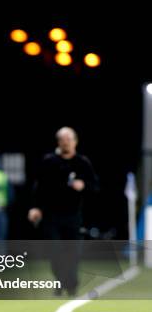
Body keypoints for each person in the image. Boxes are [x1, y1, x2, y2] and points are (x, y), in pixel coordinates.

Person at [27, 126, 99, 296]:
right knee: (55, 252)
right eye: (62, 140)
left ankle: (71, 285)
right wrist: (35, 207)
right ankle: (60, 280)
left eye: (69, 139)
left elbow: (95, 187)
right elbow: (39, 187)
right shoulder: (49, 162)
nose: (66, 143)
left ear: (75, 141)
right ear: (58, 142)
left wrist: (83, 185)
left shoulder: (82, 163)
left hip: (73, 216)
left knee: (72, 254)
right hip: (51, 216)